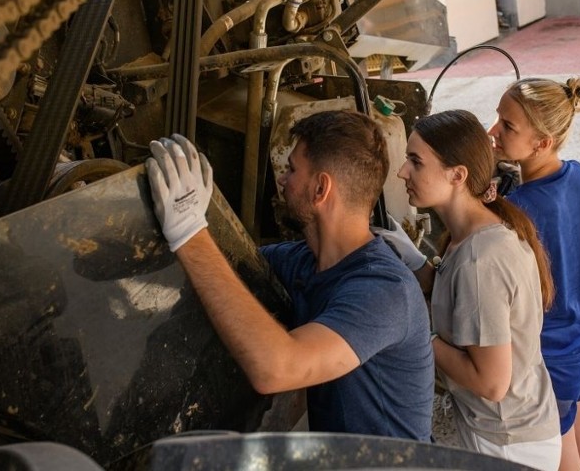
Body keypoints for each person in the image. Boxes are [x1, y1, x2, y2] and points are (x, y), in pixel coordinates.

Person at [144, 110, 434, 441]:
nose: (283, 180)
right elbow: (219, 272)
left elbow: (278, 369)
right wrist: (204, 219)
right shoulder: (301, 261)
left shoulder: (384, 291)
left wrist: (190, 230)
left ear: (321, 188)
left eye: (293, 169)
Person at [378, 109, 562, 470]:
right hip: (515, 429)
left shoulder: (480, 262)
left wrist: (417, 334)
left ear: (457, 175)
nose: (402, 173)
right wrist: (417, 261)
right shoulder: (474, 233)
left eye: (416, 162)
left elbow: (491, 382)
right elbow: (458, 294)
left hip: (506, 446)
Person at [487, 77, 580, 471]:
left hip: (552, 357)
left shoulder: (519, 209)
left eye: (508, 126)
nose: (493, 132)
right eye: (497, 119)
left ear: (542, 143)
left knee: (564, 463)